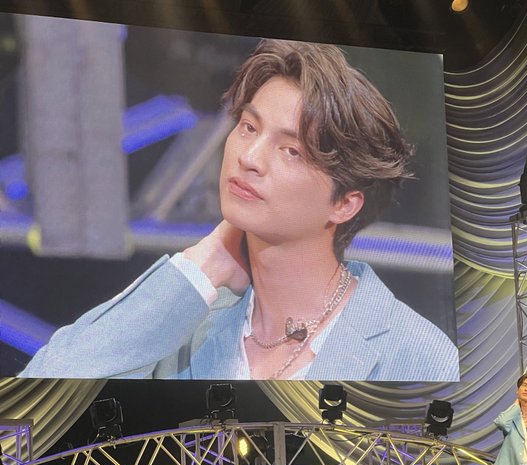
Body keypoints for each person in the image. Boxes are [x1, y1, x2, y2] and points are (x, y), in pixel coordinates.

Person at [19, 39, 459, 381]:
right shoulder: (182, 321)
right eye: (248, 127)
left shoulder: (416, 354)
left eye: (291, 150)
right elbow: (37, 405)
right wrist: (201, 266)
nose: (249, 157)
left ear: (344, 204)